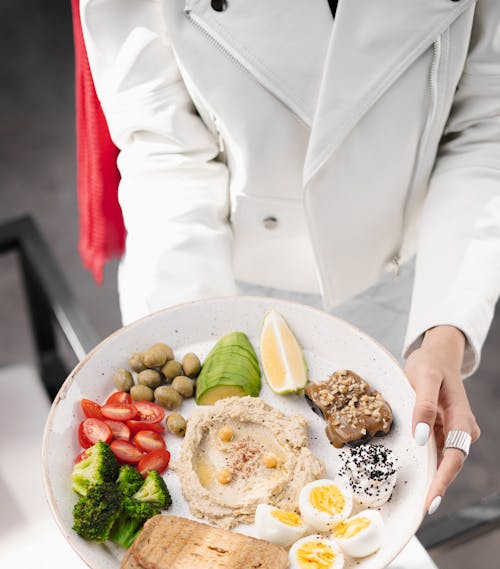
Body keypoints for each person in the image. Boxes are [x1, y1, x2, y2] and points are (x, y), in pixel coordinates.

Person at [79, 0, 500, 514]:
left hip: (394, 277)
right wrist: (192, 346)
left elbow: (486, 126)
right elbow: (164, 150)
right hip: (226, 272)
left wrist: (446, 332)